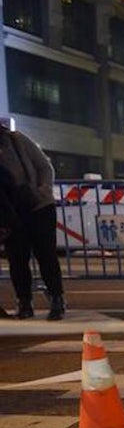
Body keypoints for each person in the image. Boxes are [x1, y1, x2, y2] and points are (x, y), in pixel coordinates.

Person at [0, 127, 65, 320]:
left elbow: (44, 167)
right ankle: (24, 302)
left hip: (39, 206)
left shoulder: (16, 140)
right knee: (17, 259)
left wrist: (43, 190)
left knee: (46, 254)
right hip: (11, 213)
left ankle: (56, 299)